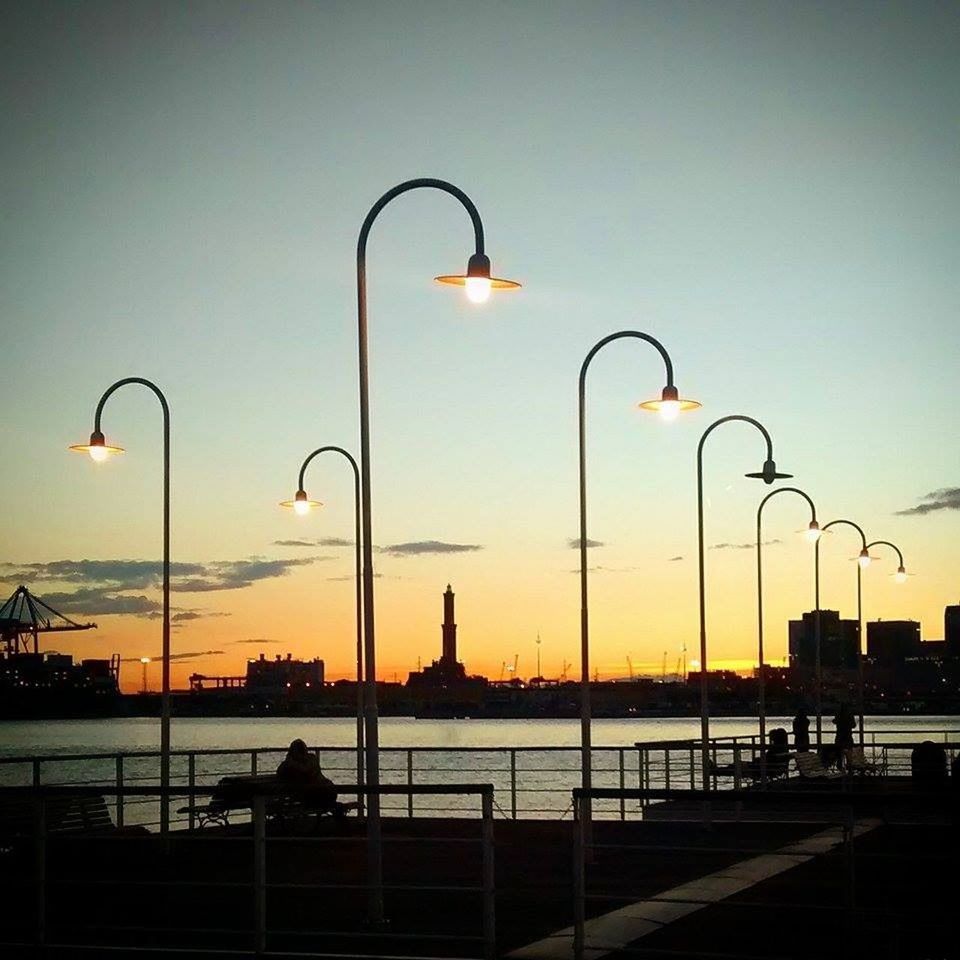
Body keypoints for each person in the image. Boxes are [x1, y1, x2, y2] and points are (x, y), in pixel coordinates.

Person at [277, 739, 337, 811]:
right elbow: (280, 771)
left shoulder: (310, 759)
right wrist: (288, 762)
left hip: (323, 791)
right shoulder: (296, 764)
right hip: (316, 792)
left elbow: (306, 770)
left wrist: (291, 762)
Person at [831, 702, 856, 770]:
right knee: (849, 756)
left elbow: (834, 721)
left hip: (840, 737)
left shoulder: (838, 715)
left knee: (839, 755)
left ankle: (840, 770)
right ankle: (849, 770)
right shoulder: (850, 715)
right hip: (848, 737)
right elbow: (854, 725)